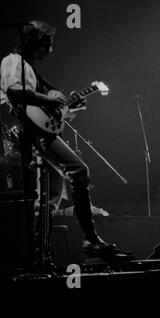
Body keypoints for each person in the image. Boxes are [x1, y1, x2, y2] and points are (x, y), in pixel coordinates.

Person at [0, 20, 117, 263]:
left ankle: (43, 257)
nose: (50, 51)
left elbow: (46, 105)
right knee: (78, 170)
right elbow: (14, 92)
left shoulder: (30, 68)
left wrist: (65, 107)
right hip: (35, 134)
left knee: (49, 201)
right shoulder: (13, 62)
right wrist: (52, 102)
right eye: (47, 45)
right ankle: (90, 240)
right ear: (35, 42)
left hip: (42, 131)